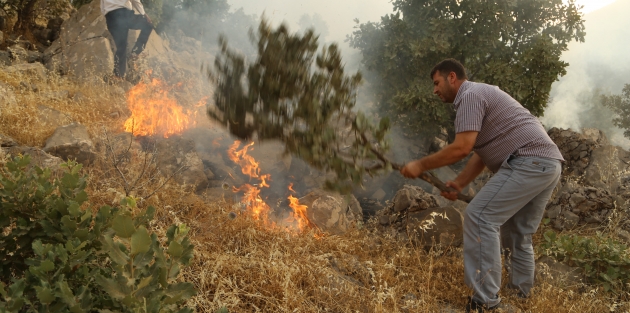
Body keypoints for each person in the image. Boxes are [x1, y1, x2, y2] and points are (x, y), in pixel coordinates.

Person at [400, 59, 563, 312]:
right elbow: (480, 152)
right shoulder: (483, 93)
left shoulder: (470, 95)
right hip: (548, 164)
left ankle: (485, 303)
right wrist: (460, 183)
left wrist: (419, 166)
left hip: (527, 162)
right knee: (518, 231)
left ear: (451, 77)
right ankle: (520, 295)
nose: (434, 90)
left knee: (479, 216)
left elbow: (462, 147)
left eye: (436, 83)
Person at [100, 0, 154, 78]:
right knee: (148, 24)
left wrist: (109, 17)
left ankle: (118, 75)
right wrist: (144, 14)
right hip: (123, 15)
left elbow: (102, 7)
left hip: (110, 19)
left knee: (121, 47)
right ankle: (136, 52)